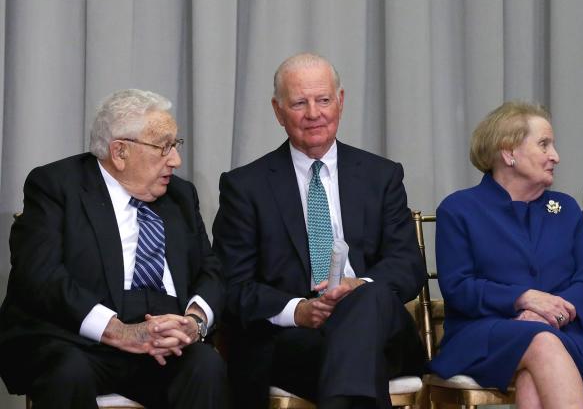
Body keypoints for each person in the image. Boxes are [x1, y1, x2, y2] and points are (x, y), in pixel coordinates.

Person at [212, 53, 426, 409]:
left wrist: (358, 288)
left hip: (383, 332)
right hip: (294, 339)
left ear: (340, 102)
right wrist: (298, 310)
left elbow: (407, 264)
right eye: (299, 103)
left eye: (323, 100)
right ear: (278, 111)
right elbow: (233, 286)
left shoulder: (381, 176)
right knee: (352, 362)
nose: (314, 113)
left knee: (367, 298)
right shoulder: (245, 187)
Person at [0, 89, 227, 408]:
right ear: (120, 152)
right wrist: (117, 330)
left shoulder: (180, 196)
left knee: (206, 366)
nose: (175, 160)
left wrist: (194, 321)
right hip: (80, 340)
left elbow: (211, 269)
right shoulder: (56, 186)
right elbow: (39, 275)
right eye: (163, 147)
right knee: (67, 372)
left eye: (175, 145)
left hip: (164, 345)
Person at [429, 102, 583, 409]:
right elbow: (459, 288)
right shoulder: (459, 209)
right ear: (509, 152)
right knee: (541, 343)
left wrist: (548, 313)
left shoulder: (565, 209)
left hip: (560, 330)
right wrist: (522, 298)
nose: (556, 156)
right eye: (544, 145)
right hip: (483, 334)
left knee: (535, 370)